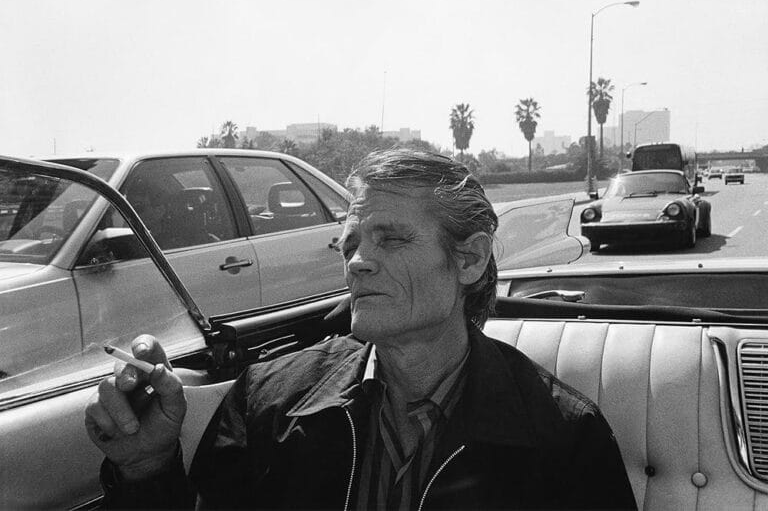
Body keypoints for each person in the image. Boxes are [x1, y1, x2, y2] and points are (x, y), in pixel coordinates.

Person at [85, 149, 637, 510]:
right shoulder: (269, 400)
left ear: (468, 260)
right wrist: (146, 469)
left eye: (391, 239)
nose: (357, 263)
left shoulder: (562, 437)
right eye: (351, 245)